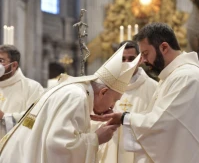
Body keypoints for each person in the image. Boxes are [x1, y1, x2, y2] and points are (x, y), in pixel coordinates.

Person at [91, 23, 199, 163]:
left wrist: (124, 118)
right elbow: (157, 117)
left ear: (164, 47)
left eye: (145, 53)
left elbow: (161, 124)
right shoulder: (172, 77)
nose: (143, 60)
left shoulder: (186, 77)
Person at [0, 43, 141, 163]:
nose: (112, 107)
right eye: (114, 100)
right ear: (103, 92)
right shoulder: (77, 97)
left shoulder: (75, 91)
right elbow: (56, 145)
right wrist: (96, 138)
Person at [92, 40, 158, 163]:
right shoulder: (104, 86)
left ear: (139, 60)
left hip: (138, 153)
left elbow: (156, 122)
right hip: (110, 146)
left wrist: (126, 120)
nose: (127, 63)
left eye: (131, 58)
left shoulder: (154, 88)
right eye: (123, 59)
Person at [0, 45, 44, 138]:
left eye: (1, 61)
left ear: (14, 65)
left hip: (15, 149)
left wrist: (4, 117)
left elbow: (35, 120)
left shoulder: (32, 88)